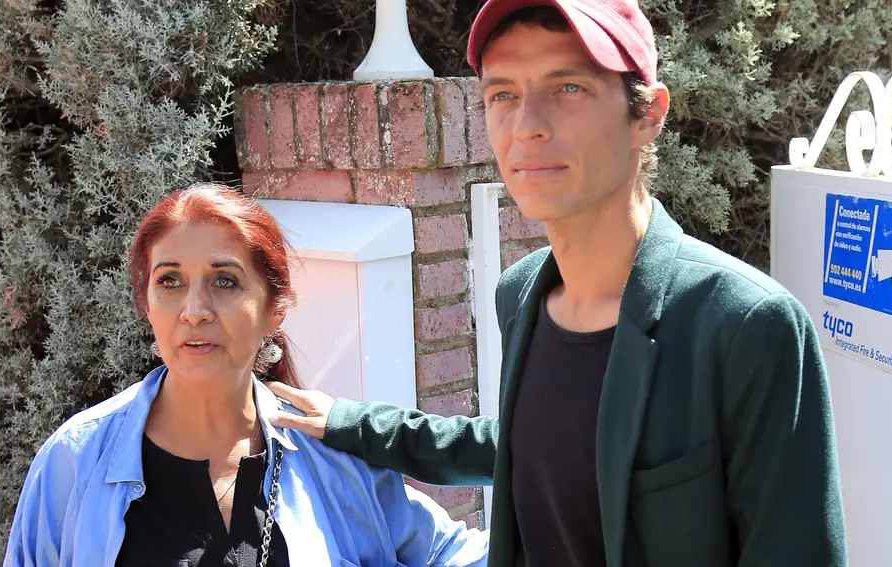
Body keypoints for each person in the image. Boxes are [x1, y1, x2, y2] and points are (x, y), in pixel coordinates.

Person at [266, 1, 849, 566]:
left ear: (647, 114)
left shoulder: (745, 323)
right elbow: (532, 445)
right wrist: (352, 424)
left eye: (568, 88)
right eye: (503, 95)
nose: (527, 127)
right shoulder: (521, 294)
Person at [2, 183, 489, 567]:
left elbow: (455, 555)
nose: (194, 310)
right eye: (169, 280)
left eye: (225, 281)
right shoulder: (76, 460)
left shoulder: (332, 459)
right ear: (146, 304)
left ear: (275, 308)